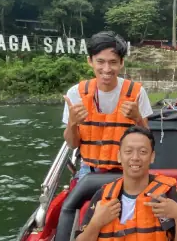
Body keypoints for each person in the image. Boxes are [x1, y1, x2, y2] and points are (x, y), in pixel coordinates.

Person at [63, 31, 153, 179]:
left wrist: (138, 119)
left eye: (113, 62)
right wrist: (72, 123)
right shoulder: (75, 94)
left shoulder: (136, 93)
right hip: (89, 171)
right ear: (90, 61)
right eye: (100, 62)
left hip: (128, 171)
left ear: (122, 62)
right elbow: (72, 145)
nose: (106, 69)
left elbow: (148, 142)